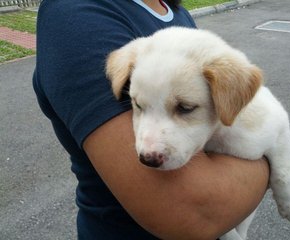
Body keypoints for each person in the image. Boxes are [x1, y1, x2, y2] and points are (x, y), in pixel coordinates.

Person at [33, 0, 270, 239]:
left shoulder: (176, 14)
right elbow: (194, 213)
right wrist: (270, 159)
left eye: (184, 107)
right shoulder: (78, 15)